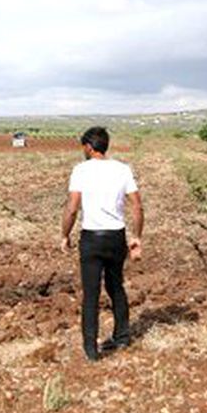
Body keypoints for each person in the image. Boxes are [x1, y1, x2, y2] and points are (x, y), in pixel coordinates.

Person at [61, 127, 144, 361]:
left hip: (92, 239)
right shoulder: (122, 169)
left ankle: (91, 349)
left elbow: (72, 208)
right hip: (116, 237)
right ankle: (122, 337)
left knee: (91, 293)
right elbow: (137, 206)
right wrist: (137, 237)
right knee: (116, 286)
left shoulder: (81, 170)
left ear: (89, 147)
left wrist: (64, 234)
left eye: (83, 147)